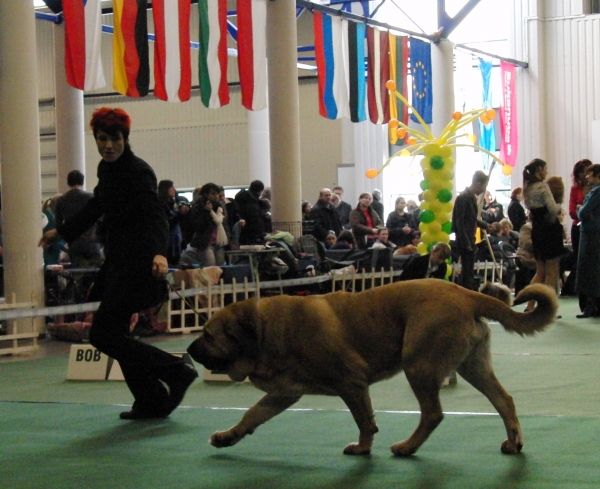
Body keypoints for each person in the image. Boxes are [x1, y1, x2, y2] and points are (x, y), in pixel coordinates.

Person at [39, 107, 197, 420]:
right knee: (116, 336)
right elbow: (98, 205)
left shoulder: (138, 171)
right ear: (95, 138)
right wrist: (62, 230)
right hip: (118, 263)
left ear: (125, 138)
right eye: (102, 139)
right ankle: (150, 399)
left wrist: (160, 252)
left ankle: (176, 370)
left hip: (137, 264)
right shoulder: (107, 170)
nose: (108, 145)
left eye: (114, 139)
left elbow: (155, 216)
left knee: (102, 335)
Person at [522, 158, 564, 309]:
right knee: (552, 272)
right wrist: (560, 206)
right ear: (539, 169)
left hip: (537, 230)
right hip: (550, 230)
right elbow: (553, 209)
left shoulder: (528, 188)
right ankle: (549, 306)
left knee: (539, 271)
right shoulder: (542, 186)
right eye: (545, 168)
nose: (546, 172)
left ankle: (530, 304)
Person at [54, 170, 103, 268]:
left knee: (77, 274)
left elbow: (58, 225)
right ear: (82, 182)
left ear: (68, 182)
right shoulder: (91, 197)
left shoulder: (61, 200)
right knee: (95, 274)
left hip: (74, 244)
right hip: (92, 242)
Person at [451, 170, 490, 290]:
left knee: (468, 271)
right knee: (467, 272)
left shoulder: (469, 197)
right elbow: (460, 222)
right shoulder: (464, 198)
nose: (483, 190)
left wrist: (486, 226)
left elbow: (472, 219)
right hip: (465, 240)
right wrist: (467, 242)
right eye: (483, 187)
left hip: (468, 238)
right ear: (478, 184)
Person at [179, 182, 228, 267]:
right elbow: (199, 225)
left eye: (217, 194)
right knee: (210, 267)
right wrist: (207, 211)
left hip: (219, 242)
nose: (216, 196)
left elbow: (225, 225)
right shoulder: (198, 207)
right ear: (206, 194)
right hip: (206, 243)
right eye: (213, 193)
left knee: (221, 268)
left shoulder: (220, 207)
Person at [564, 159, 593, 296]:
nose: (584, 175)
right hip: (578, 228)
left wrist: (581, 208)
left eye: (587, 171)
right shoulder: (575, 189)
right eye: (582, 172)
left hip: (592, 228)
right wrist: (583, 211)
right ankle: (573, 289)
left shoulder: (595, 189)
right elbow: (572, 212)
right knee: (578, 261)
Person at [574, 163, 600, 318]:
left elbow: (583, 212)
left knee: (590, 270)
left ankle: (591, 307)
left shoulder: (596, 192)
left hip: (592, 233)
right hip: (592, 232)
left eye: (590, 174)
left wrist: (579, 209)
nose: (586, 177)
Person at [158, 179, 189, 266]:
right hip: (168, 242)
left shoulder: (172, 204)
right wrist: (180, 214)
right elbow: (168, 224)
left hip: (176, 239)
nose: (174, 190)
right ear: (166, 189)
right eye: (172, 187)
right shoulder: (161, 205)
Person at [235, 180, 266, 245]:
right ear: (260, 191)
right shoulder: (254, 202)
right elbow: (256, 220)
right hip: (253, 234)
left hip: (242, 232)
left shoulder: (241, 199)